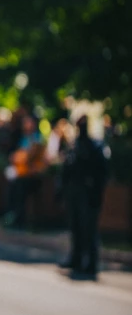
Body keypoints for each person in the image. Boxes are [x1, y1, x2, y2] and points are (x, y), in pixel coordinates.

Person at [60, 116, 108, 278]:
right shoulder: (74, 145)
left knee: (89, 228)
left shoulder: (95, 146)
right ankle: (77, 258)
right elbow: (66, 169)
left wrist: (95, 191)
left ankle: (91, 263)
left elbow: (101, 173)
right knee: (75, 227)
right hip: (74, 192)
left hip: (88, 193)